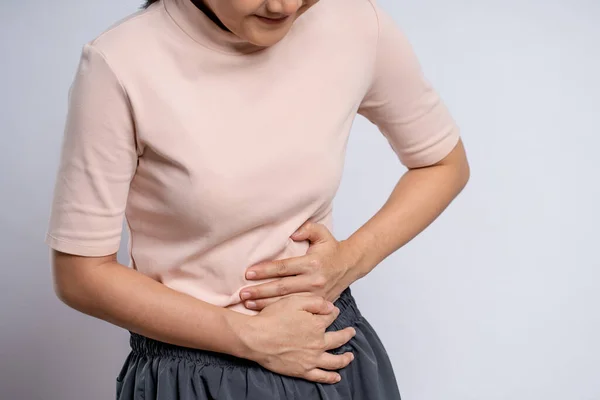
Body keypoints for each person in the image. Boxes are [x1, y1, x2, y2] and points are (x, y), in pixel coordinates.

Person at [45, 0, 470, 398]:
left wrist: (349, 260)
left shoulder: (354, 22)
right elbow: (80, 274)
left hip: (330, 353)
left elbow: (442, 163)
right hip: (196, 379)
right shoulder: (120, 62)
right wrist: (248, 338)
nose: (283, 6)